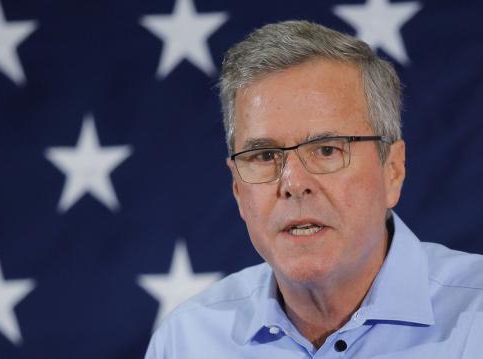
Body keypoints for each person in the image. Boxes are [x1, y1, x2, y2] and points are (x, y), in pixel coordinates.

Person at [145, 20, 483, 358]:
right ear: (238, 190)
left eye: (327, 150)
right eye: (264, 155)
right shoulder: (186, 340)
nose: (294, 183)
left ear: (392, 170)